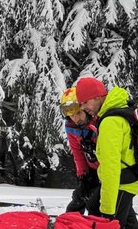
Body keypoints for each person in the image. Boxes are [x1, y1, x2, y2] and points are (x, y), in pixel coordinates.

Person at [75, 77, 138, 229]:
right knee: (94, 207)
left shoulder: (111, 122)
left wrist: (108, 211)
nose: (83, 108)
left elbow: (111, 167)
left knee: (105, 221)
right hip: (124, 181)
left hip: (120, 184)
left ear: (97, 97)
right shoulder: (117, 112)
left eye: (85, 102)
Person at [60, 87, 100, 215]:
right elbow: (77, 152)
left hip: (109, 171)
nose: (75, 119)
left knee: (96, 205)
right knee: (78, 198)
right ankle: (70, 223)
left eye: (78, 113)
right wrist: (83, 176)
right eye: (71, 116)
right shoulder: (71, 126)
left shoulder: (100, 123)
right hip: (92, 170)